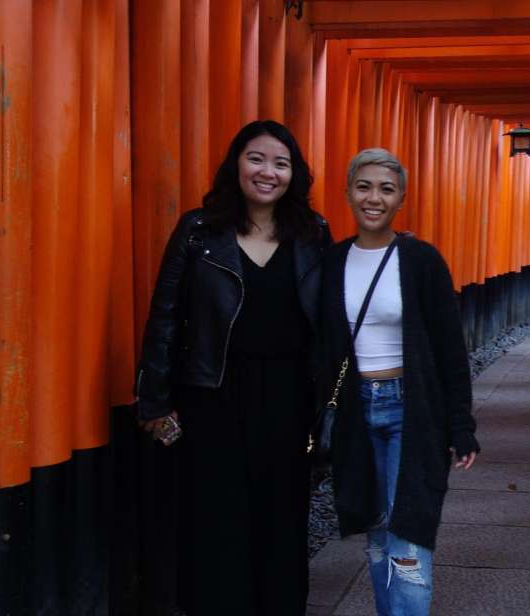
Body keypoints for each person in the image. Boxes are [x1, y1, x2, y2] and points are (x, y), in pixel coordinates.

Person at [135, 120, 331, 615]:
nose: (268, 172)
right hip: (212, 394)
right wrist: (154, 400)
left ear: (295, 174)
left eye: (281, 163)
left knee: (282, 518)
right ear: (236, 165)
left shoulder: (313, 235)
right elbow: (165, 317)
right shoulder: (199, 230)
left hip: (290, 396)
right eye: (256, 159)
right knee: (215, 519)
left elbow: (331, 320)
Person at [323, 148, 479, 615]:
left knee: (408, 536)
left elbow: (451, 349)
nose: (374, 198)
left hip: (410, 410)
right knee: (375, 533)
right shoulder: (331, 263)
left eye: (386, 189)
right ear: (349, 192)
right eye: (364, 186)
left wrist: (461, 425)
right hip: (355, 410)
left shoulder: (421, 261)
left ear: (401, 199)